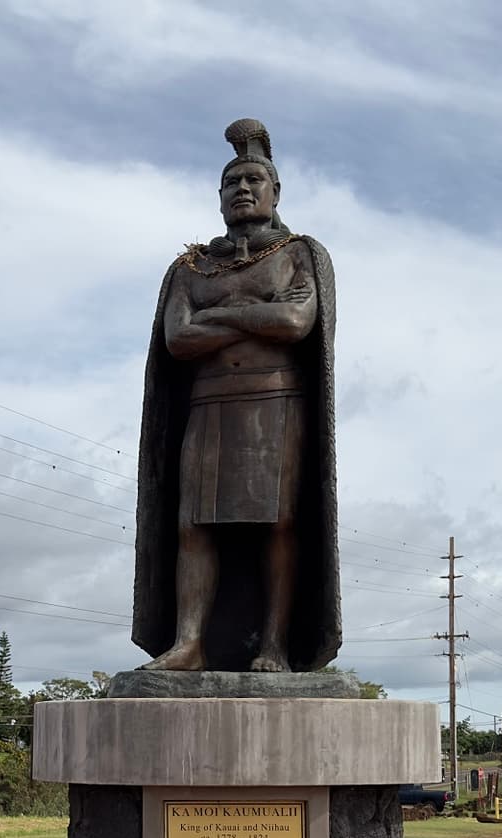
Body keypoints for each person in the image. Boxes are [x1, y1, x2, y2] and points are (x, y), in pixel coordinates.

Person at [132, 119, 341, 672]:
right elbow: (179, 339)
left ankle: (273, 645)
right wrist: (256, 317)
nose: (242, 190)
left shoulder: (298, 254)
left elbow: (297, 321)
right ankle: (189, 643)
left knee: (278, 523)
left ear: (276, 193)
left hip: (276, 403)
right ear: (219, 197)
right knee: (193, 526)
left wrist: (217, 314)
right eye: (232, 184)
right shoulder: (191, 266)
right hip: (207, 407)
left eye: (254, 180)